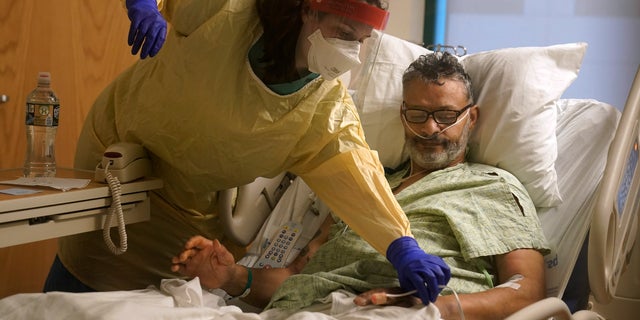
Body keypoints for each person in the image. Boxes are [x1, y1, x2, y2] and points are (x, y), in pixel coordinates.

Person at [43, 0, 450, 306]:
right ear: (309, 10)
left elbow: (356, 176)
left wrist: (401, 244)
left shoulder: (323, 112)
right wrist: (142, 3)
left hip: (186, 209)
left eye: (361, 42)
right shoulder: (227, 14)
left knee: (158, 299)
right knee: (77, 283)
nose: (350, 54)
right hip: (118, 160)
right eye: (344, 33)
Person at [170, 52, 551, 319]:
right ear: (403, 116)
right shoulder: (365, 188)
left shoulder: (492, 186)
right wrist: (233, 276)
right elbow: (297, 276)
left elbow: (526, 289)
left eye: (447, 115)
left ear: (472, 118)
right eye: (418, 114)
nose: (431, 129)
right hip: (310, 310)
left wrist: (432, 311)